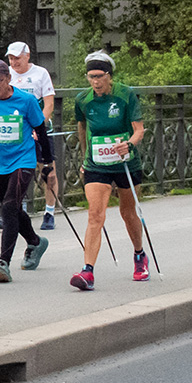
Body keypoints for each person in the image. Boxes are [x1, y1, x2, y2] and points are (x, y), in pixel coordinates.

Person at [69, 51, 150, 289]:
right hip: (97, 163)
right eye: (91, 76)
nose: (95, 81)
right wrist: (86, 157)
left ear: (109, 76)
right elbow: (82, 127)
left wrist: (129, 144)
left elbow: (139, 129)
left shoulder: (125, 94)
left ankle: (139, 255)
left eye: (100, 76)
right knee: (95, 214)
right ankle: (87, 271)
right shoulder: (83, 99)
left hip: (125, 161)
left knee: (127, 212)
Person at [0, 58, 56, 277]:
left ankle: (3, 263)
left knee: (9, 207)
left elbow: (41, 131)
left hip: (23, 160)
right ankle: (35, 242)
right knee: (14, 209)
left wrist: (47, 163)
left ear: (9, 79)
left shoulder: (26, 101)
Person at [4, 42, 60, 229]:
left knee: (48, 172)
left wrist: (38, 127)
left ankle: (49, 212)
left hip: (39, 129)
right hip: (16, 132)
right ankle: (13, 210)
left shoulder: (40, 73)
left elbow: (49, 104)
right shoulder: (6, 76)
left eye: (17, 58)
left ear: (27, 56)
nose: (14, 62)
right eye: (11, 58)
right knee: (15, 171)